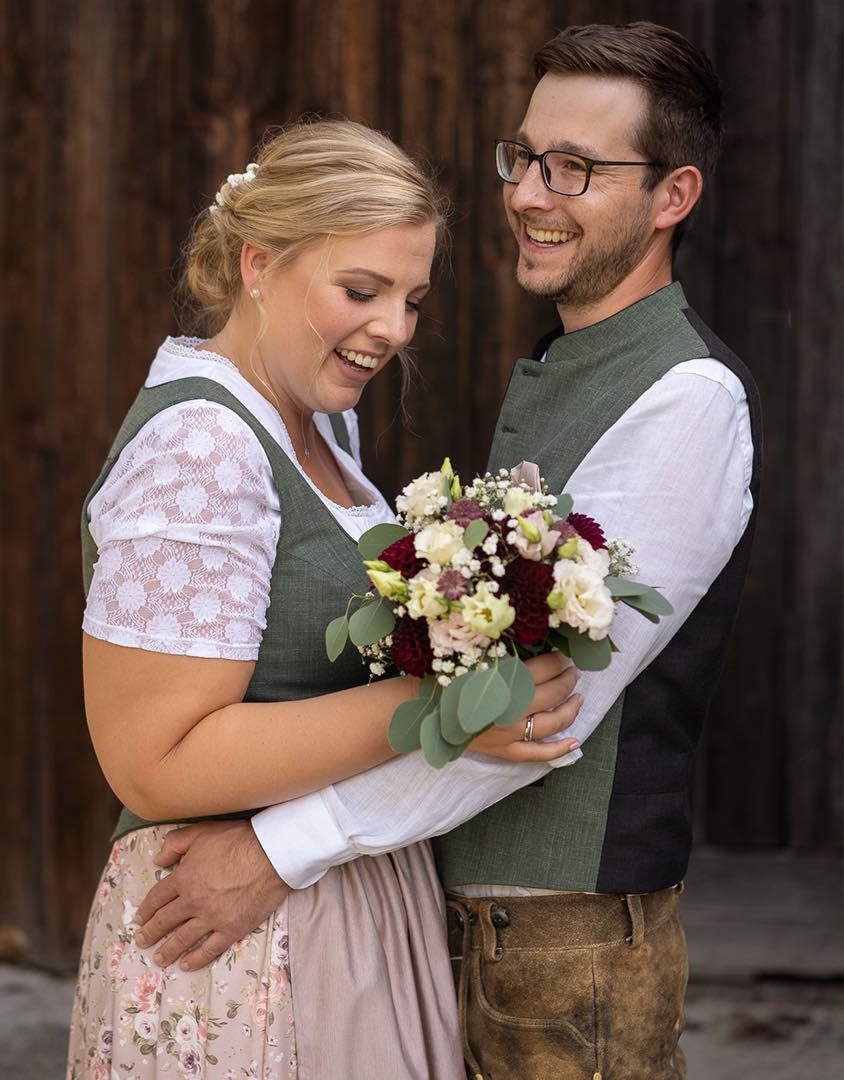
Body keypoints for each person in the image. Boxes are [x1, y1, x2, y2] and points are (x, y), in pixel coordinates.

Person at [133, 22, 761, 1080]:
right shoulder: (571, 366)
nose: (526, 193)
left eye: (576, 168)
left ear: (672, 198)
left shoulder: (687, 401)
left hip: (562, 950)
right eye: (524, 156)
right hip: (456, 926)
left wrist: (277, 850)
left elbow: (545, 712)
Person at [66, 119, 584, 1080]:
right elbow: (155, 763)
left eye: (413, 299)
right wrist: (445, 708)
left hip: (338, 904)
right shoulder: (202, 449)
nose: (394, 328)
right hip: (229, 943)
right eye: (362, 290)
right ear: (259, 264)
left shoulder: (318, 435)